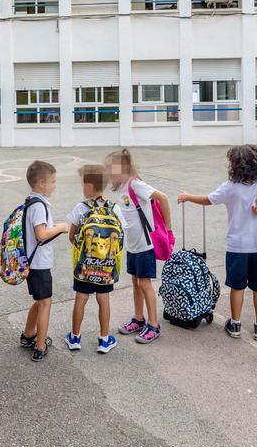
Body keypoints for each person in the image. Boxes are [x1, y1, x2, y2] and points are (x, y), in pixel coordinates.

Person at [178, 145, 257, 342]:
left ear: (235, 165)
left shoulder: (230, 186)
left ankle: (235, 323)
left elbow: (207, 200)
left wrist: (187, 197)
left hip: (237, 246)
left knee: (237, 287)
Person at [107, 148, 168, 345]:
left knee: (144, 284)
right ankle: (139, 319)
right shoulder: (123, 187)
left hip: (144, 244)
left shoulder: (135, 184)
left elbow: (163, 197)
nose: (108, 172)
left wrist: (168, 228)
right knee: (135, 282)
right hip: (132, 245)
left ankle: (153, 324)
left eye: (111, 168)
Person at [65, 164, 126, 353]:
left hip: (84, 267)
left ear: (90, 185)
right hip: (106, 267)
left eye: (84, 184)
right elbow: (122, 238)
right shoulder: (115, 209)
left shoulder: (80, 208)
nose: (83, 187)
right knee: (103, 299)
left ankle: (75, 338)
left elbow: (71, 236)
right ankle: (104, 339)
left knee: (81, 299)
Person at [18, 161, 69, 361]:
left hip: (33, 261)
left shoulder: (31, 201)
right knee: (46, 303)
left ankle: (28, 334)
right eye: (53, 181)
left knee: (40, 301)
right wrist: (61, 227)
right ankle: (40, 346)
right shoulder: (39, 205)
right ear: (41, 183)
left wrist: (53, 227)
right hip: (39, 263)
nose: (55, 185)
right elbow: (41, 234)